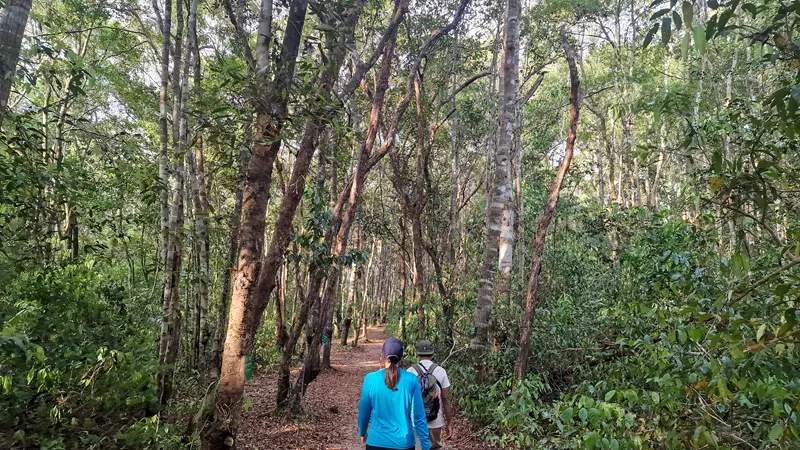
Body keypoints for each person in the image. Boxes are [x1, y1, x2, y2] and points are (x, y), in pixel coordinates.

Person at [358, 337, 431, 450]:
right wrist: (426, 446)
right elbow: (418, 416)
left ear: (382, 356)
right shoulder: (411, 379)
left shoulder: (370, 379)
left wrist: (362, 432)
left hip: (376, 442)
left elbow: (364, 412)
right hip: (404, 443)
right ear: (401, 358)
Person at [407, 340, 453, 450]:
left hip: (415, 421)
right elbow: (445, 399)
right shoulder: (441, 371)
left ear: (417, 354)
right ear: (432, 354)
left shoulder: (410, 371)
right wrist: (449, 423)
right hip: (435, 420)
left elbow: (405, 400)